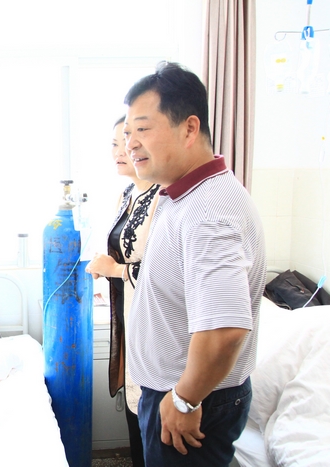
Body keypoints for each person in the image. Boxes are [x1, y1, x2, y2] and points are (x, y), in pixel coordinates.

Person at [122, 62, 266, 467]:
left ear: (189, 128)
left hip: (192, 400)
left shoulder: (208, 211)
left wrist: (185, 399)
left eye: (143, 129)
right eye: (128, 132)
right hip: (180, 392)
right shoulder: (184, 195)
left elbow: (225, 330)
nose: (131, 143)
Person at [86, 115, 160, 467]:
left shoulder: (164, 197)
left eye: (127, 142)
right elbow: (125, 253)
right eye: (115, 144)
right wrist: (106, 271)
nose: (120, 151)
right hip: (127, 314)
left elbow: (168, 271)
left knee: (151, 420)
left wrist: (115, 270)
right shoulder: (128, 193)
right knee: (135, 417)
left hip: (153, 323)